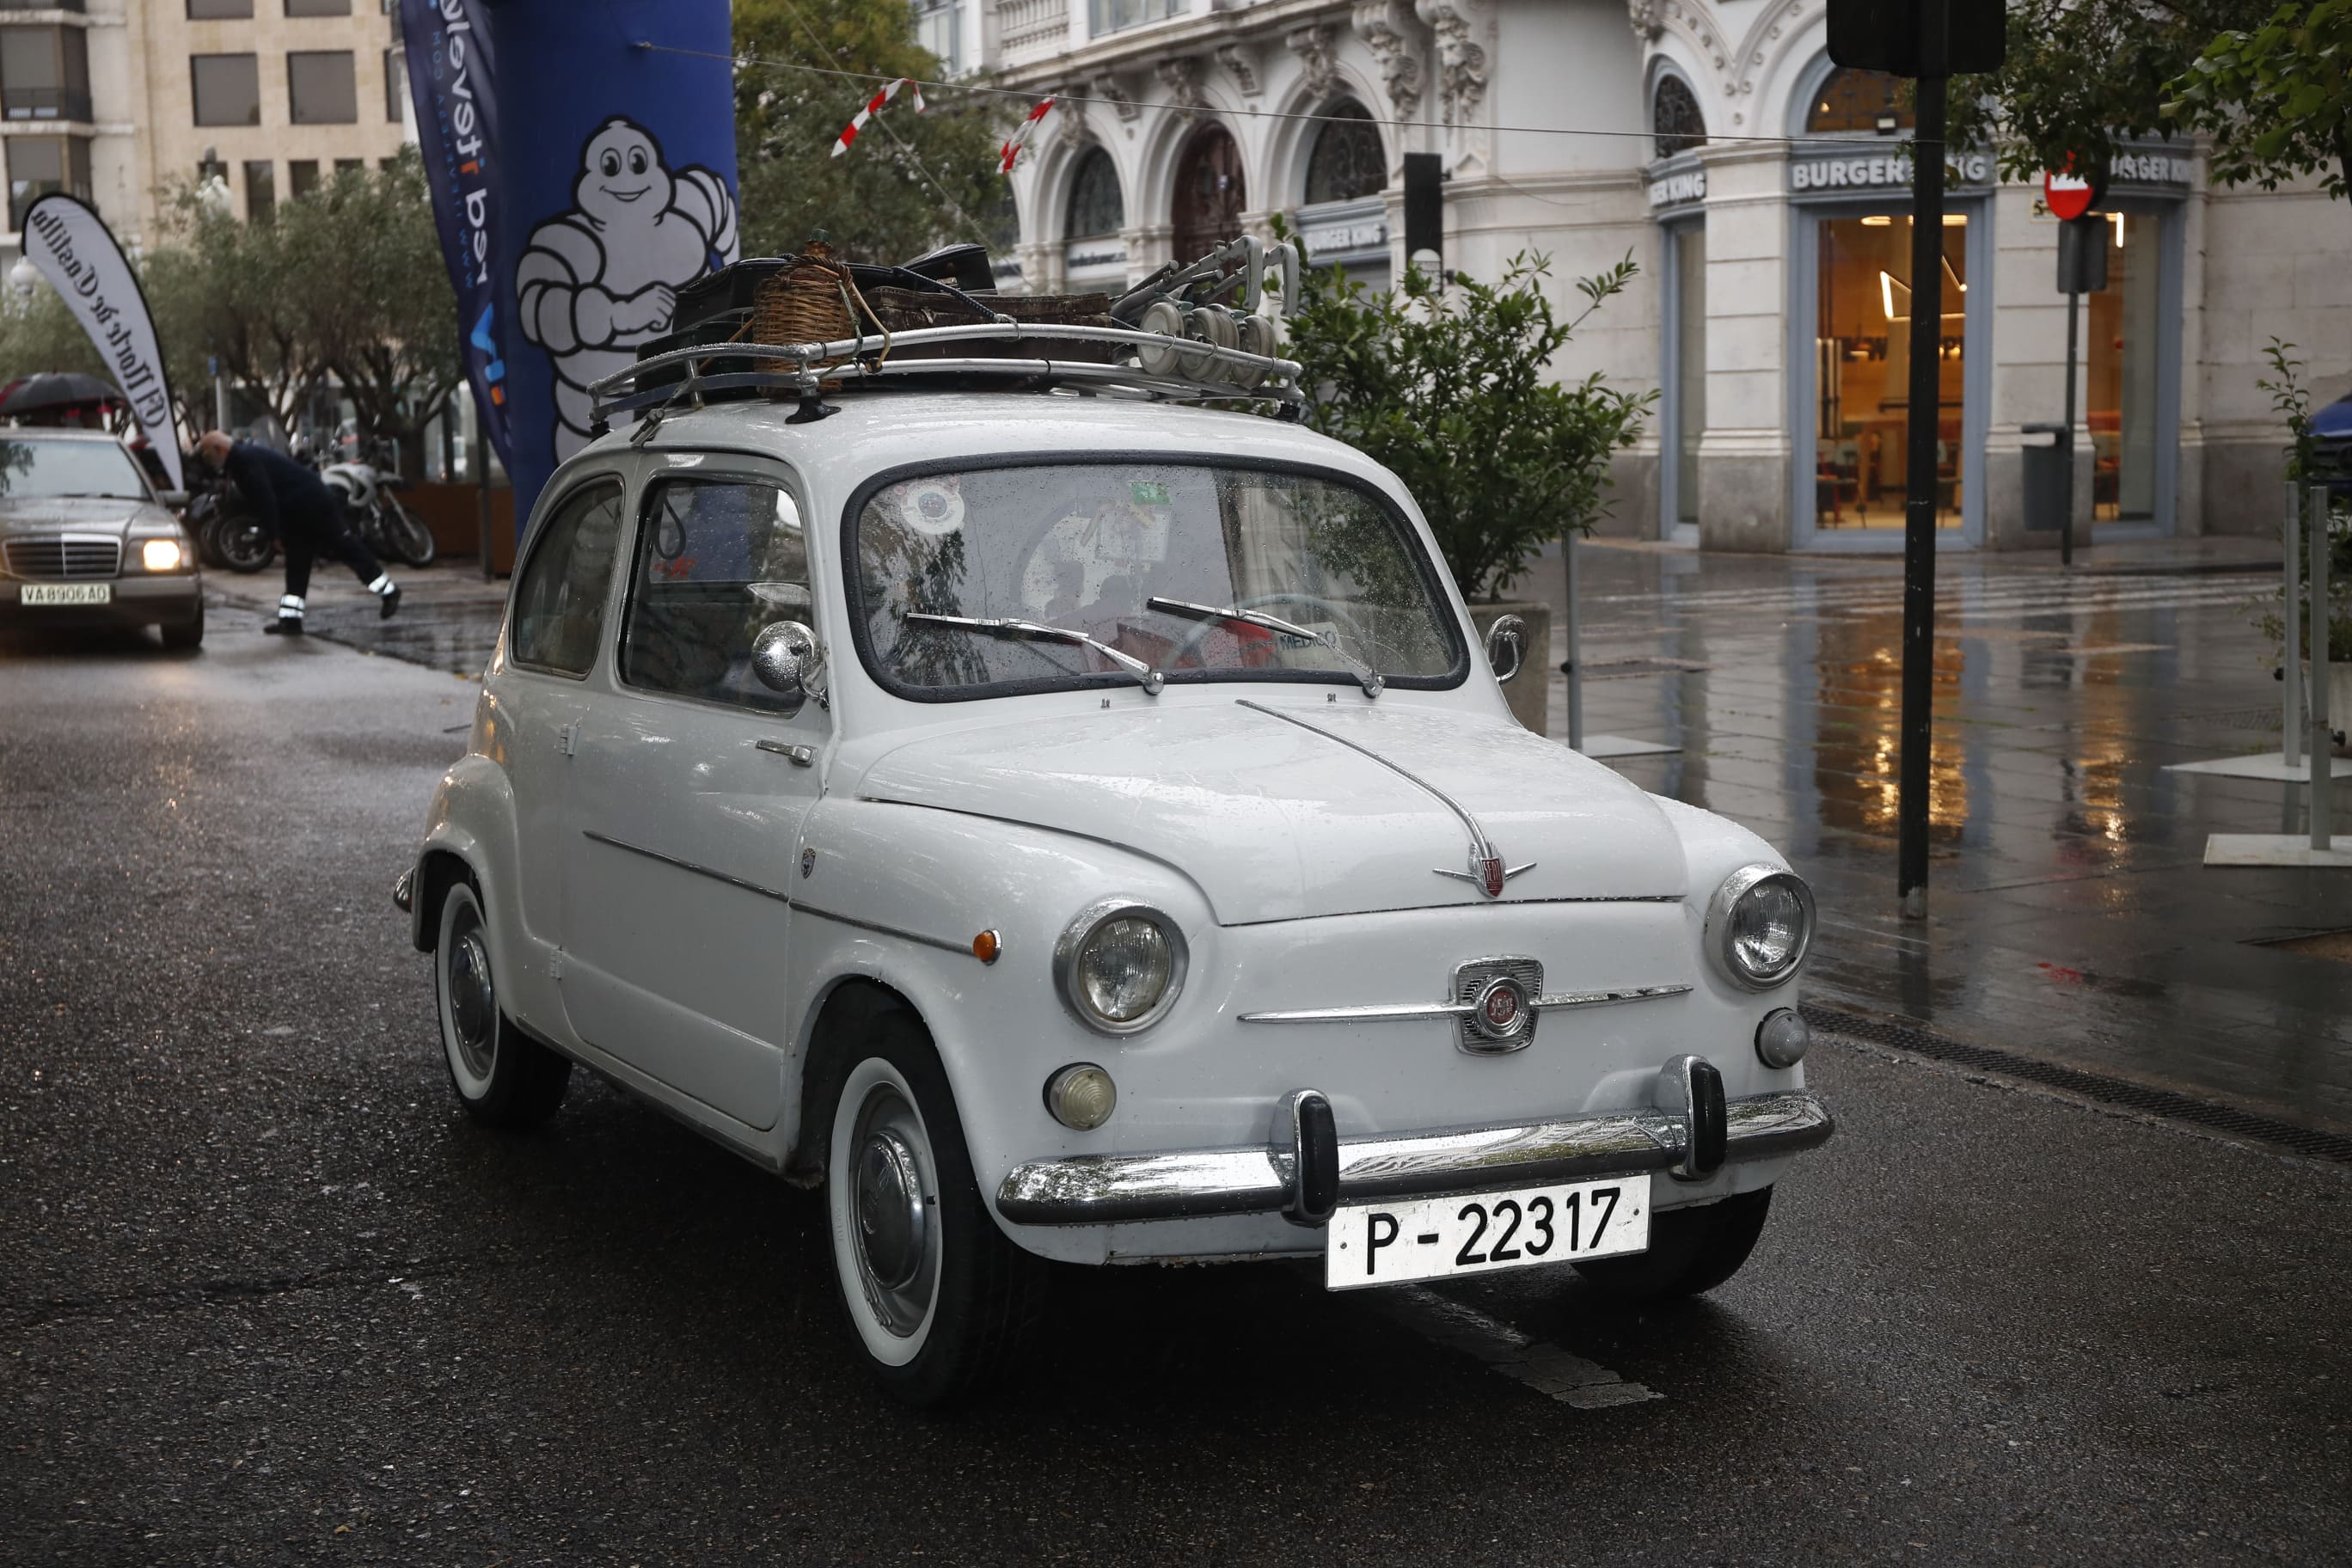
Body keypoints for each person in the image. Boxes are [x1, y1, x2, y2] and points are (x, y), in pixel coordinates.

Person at [193, 430, 400, 635]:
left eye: (206, 455)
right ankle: (291, 620)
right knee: (297, 564)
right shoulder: (241, 459)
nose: (207, 461)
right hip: (298, 511)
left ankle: (389, 592)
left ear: (219, 449)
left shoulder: (244, 460)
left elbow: (264, 498)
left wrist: (274, 533)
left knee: (346, 549)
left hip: (314, 506)